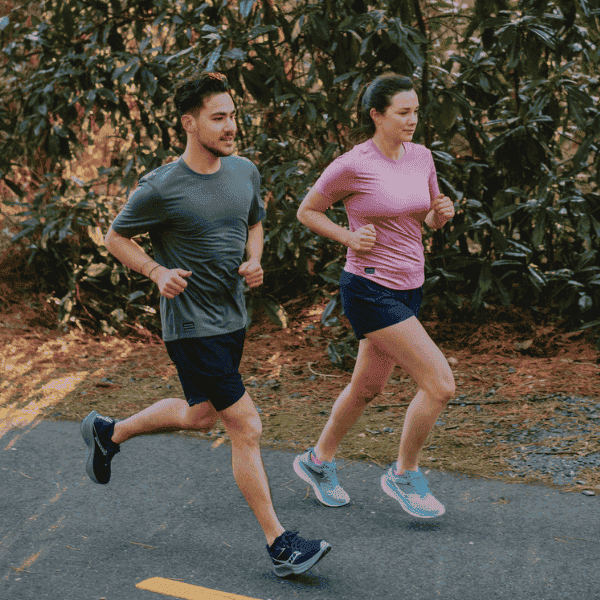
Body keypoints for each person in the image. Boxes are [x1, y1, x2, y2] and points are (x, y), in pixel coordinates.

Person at [80, 71, 331, 577]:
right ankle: (279, 544)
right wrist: (156, 270)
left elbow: (254, 221)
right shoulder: (161, 186)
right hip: (190, 324)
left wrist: (254, 258)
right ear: (189, 123)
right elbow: (114, 237)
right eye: (219, 118)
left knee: (201, 416)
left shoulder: (244, 172)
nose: (231, 126)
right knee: (246, 425)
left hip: (231, 318)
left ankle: (110, 432)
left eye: (233, 115)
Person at [293, 73, 455, 519]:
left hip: (410, 285)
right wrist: (348, 237)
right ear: (376, 115)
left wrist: (443, 213)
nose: (412, 120)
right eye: (403, 112)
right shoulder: (353, 164)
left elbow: (427, 216)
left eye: (416, 111)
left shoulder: (421, 157)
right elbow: (307, 211)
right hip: (368, 287)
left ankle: (316, 461)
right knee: (440, 385)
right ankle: (404, 475)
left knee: (367, 388)